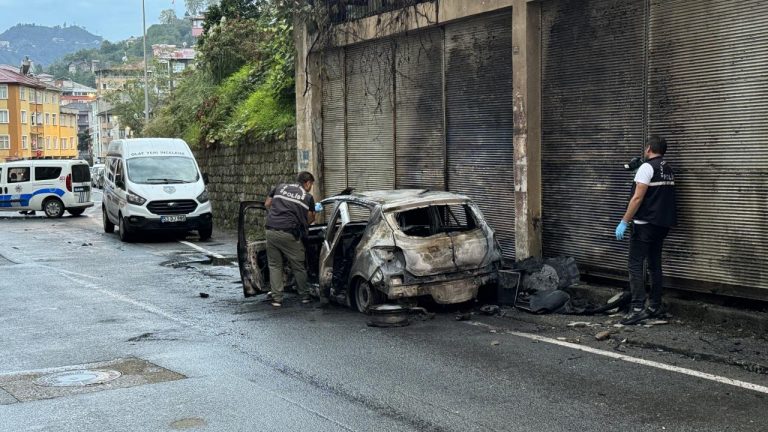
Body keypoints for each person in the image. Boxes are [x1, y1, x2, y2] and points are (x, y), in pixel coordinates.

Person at [615, 135, 677, 325]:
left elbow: (637, 197)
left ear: (649, 148)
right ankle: (655, 306)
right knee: (654, 265)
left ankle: (637, 308)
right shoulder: (667, 168)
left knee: (635, 265)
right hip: (662, 225)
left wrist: (625, 221)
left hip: (644, 225)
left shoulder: (646, 168)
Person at [264, 172, 317, 307]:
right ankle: (305, 296)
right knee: (298, 266)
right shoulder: (308, 197)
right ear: (308, 183)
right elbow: (310, 219)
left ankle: (277, 299)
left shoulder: (280, 187)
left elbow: (267, 203)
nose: (311, 187)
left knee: (275, 266)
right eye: (311, 185)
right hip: (289, 233)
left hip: (271, 230)